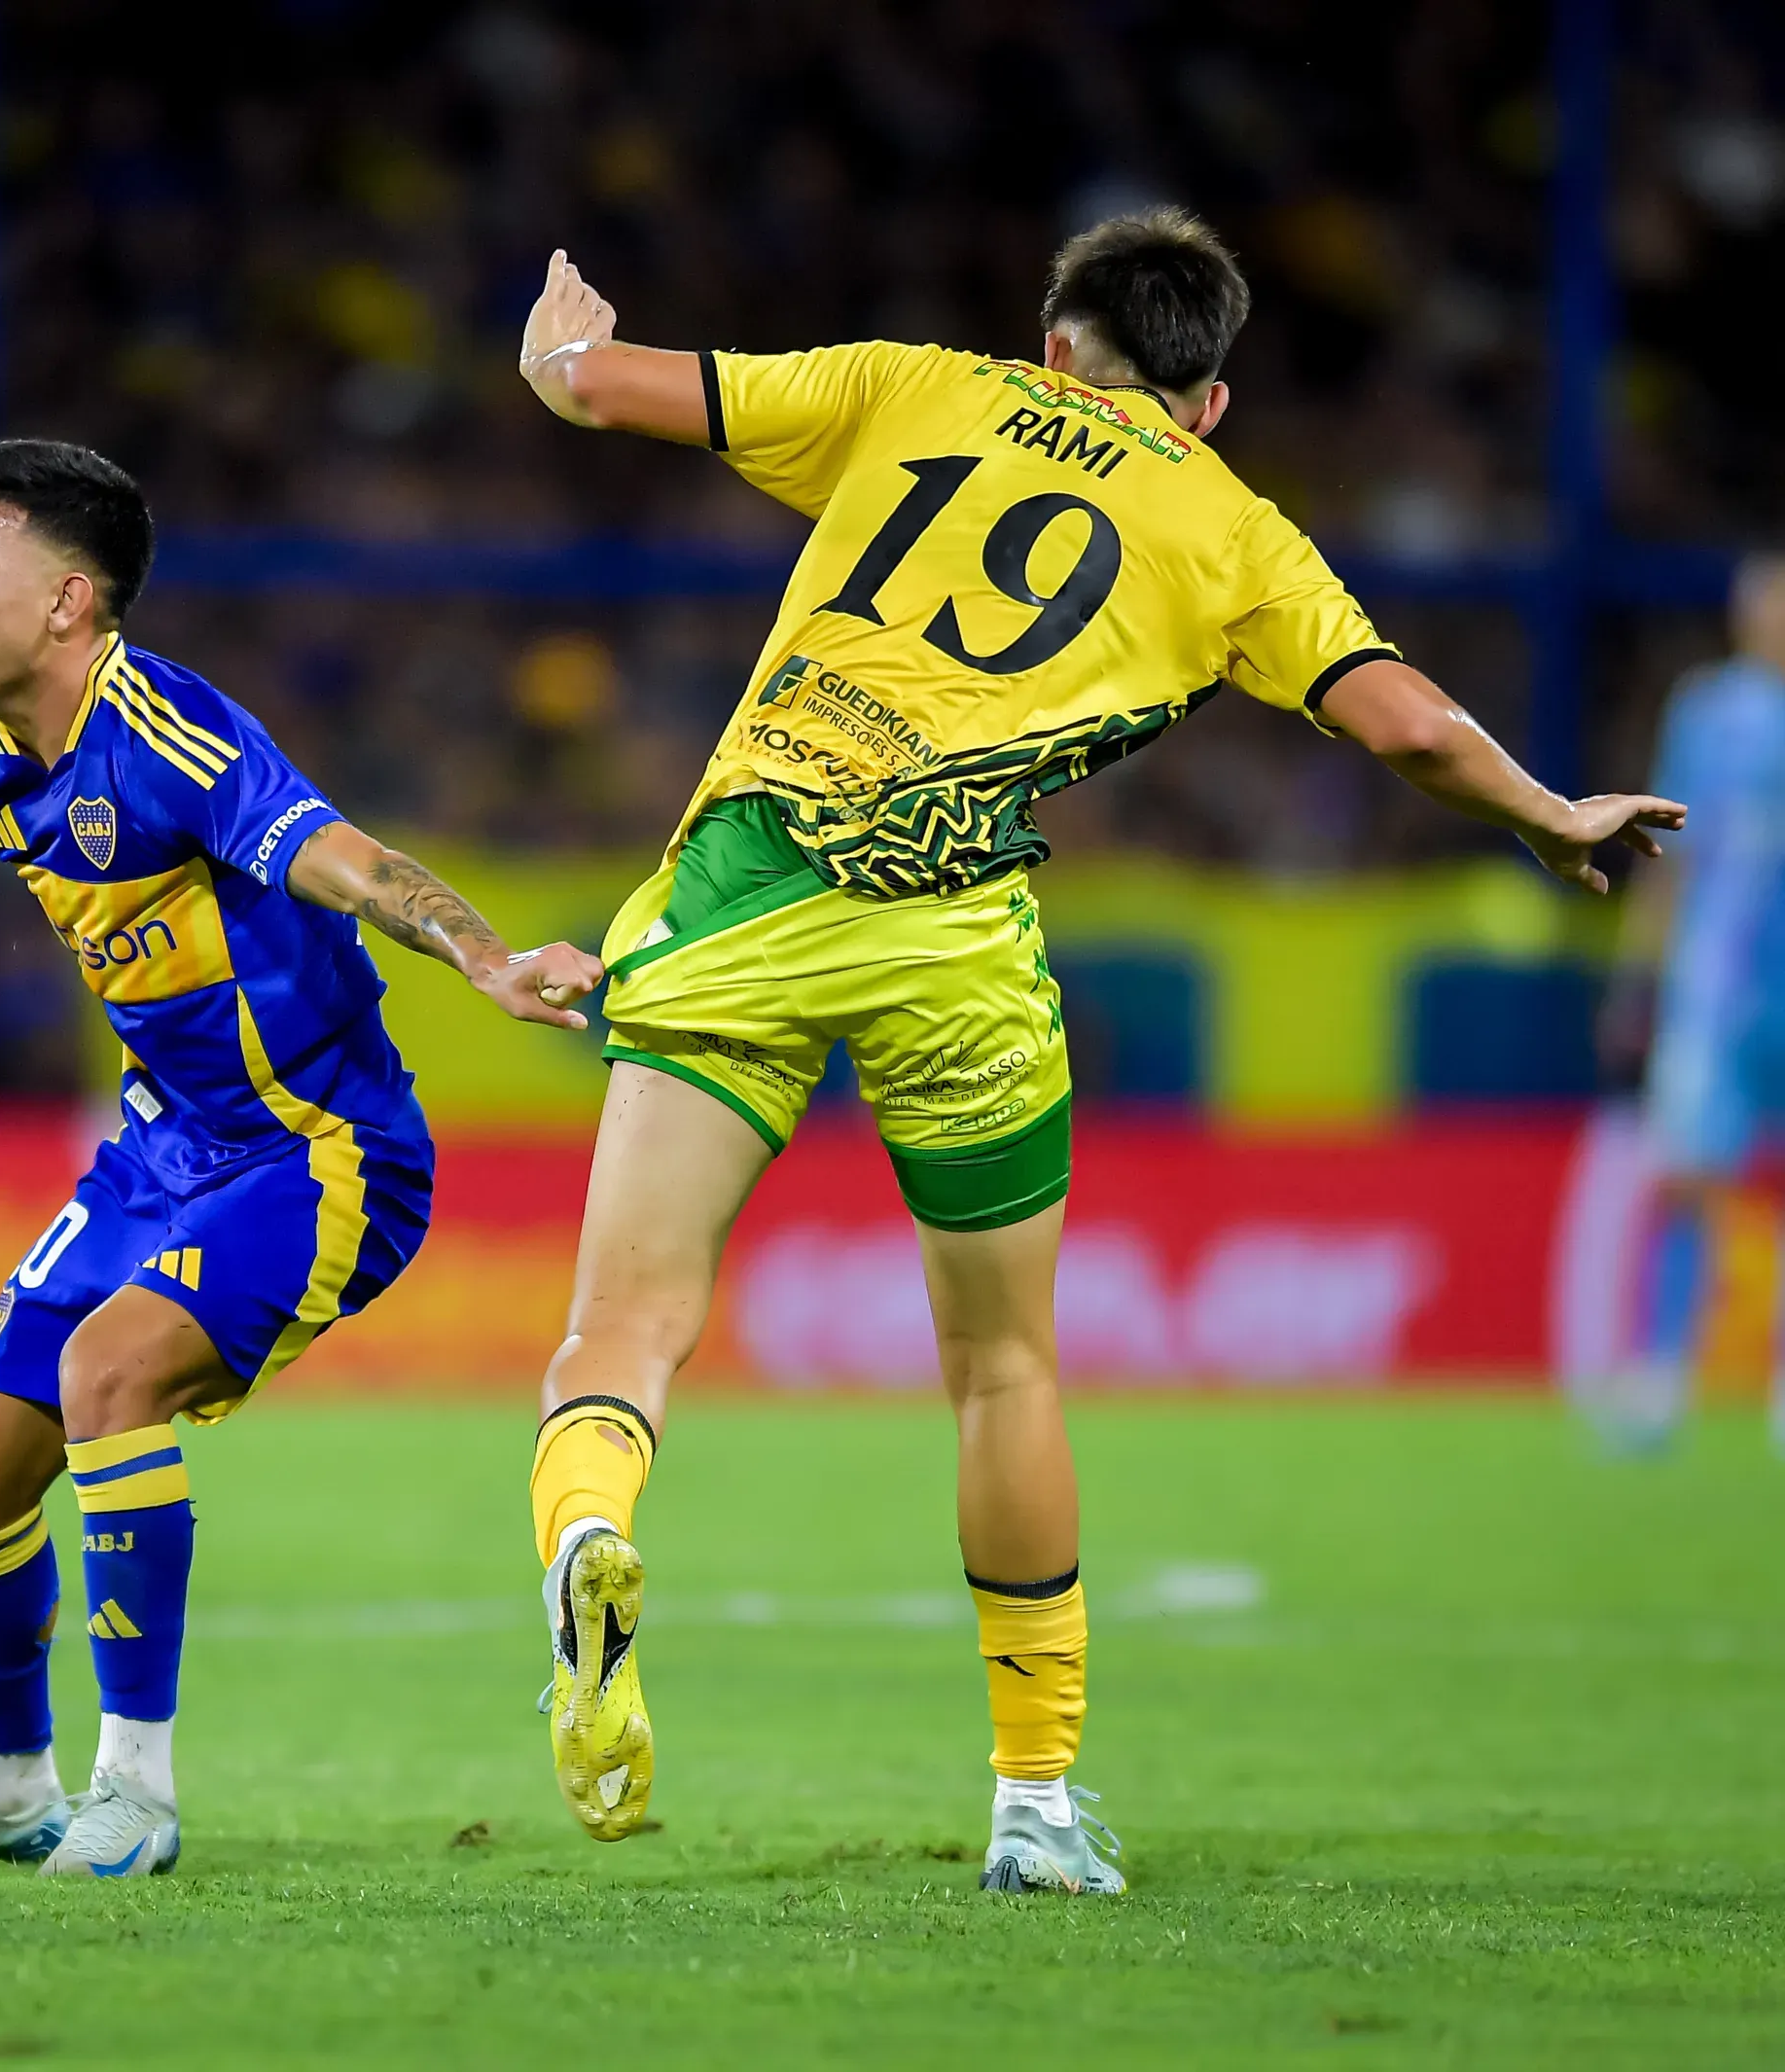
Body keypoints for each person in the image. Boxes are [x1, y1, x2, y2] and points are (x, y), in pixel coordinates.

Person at [510, 208, 1682, 1892]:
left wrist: (557, 335)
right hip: (954, 939)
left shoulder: (910, 388)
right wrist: (1548, 811)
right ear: (1211, 400)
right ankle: (1037, 1804)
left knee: (619, 1329)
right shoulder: (1231, 528)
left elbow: (601, 392)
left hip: (742, 889)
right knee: (1004, 1369)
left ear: (1055, 344)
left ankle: (594, 1539)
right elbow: (1409, 722)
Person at [0, 439, 601, 1877]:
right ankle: (7, 1786)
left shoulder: (173, 736)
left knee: (110, 1371)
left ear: (70, 601)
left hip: (320, 1149)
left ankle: (136, 1795)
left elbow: (349, 860)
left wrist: (478, 951)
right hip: (160, 1152)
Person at [1598, 554, 1785, 1451]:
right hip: (1715, 994)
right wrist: (1639, 978)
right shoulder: (1711, 713)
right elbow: (1668, 858)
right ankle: (1659, 1376)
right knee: (1688, 1182)